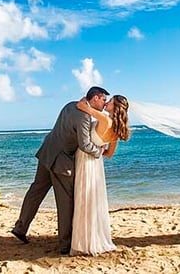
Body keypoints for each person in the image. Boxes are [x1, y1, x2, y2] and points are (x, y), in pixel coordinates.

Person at [11, 86, 109, 255]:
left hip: (47, 152)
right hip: (61, 161)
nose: (105, 103)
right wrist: (99, 152)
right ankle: (65, 245)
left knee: (36, 191)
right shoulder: (85, 116)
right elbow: (85, 144)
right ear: (95, 98)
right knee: (66, 202)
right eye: (103, 99)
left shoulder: (70, 105)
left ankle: (20, 228)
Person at [70, 94, 131, 256]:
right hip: (97, 164)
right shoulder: (117, 128)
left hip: (85, 159)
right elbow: (109, 154)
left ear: (115, 107)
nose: (106, 103)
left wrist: (87, 97)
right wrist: (99, 150)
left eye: (109, 102)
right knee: (93, 200)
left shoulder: (105, 119)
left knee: (83, 200)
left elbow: (82, 106)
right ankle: (94, 238)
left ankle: (83, 242)